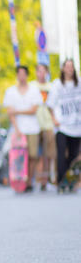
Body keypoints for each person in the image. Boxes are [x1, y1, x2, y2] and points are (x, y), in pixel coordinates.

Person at [4, 66, 43, 192]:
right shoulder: (10, 91)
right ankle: (20, 181)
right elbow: (10, 112)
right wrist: (16, 129)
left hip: (32, 128)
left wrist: (18, 111)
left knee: (32, 155)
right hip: (18, 129)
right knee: (19, 158)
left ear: (26, 75)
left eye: (23, 74)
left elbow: (34, 110)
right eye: (19, 74)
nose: (21, 76)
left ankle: (29, 181)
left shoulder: (34, 90)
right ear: (17, 75)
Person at [47, 59, 81, 191]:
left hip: (76, 126)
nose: (69, 70)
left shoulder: (79, 83)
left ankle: (70, 180)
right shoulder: (57, 85)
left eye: (71, 67)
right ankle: (61, 181)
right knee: (61, 154)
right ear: (63, 69)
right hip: (62, 126)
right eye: (67, 67)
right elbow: (50, 105)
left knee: (73, 155)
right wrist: (54, 119)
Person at [31, 64, 56, 190]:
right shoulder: (31, 86)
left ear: (47, 72)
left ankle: (46, 180)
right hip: (34, 124)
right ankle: (37, 179)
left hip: (48, 124)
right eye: (38, 71)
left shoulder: (52, 87)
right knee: (35, 155)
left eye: (43, 71)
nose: (40, 73)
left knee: (49, 154)